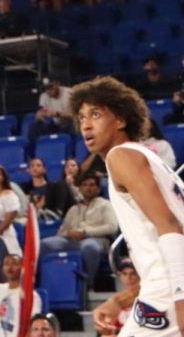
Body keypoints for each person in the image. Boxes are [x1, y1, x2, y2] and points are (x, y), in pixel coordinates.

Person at [72, 76, 184, 333]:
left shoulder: (119, 156)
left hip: (169, 290)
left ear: (120, 120)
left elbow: (169, 225)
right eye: (82, 118)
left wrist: (180, 299)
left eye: (96, 114)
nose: (86, 125)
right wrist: (118, 301)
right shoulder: (149, 159)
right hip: (163, 287)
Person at [39, 173, 118, 289]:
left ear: (98, 189)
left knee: (89, 247)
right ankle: (42, 280)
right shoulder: (73, 209)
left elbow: (112, 227)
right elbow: (62, 232)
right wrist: (70, 233)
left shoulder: (105, 205)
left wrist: (86, 232)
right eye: (84, 185)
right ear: (80, 189)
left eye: (92, 185)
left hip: (97, 240)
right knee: (45, 244)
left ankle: (88, 283)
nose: (88, 188)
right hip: (72, 240)